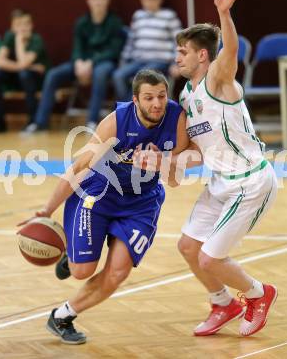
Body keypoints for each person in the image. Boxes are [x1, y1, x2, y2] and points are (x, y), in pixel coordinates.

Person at [134, 0, 278, 338]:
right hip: (219, 183)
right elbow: (193, 157)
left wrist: (224, 14)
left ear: (201, 55)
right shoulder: (186, 98)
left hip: (250, 183)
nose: (176, 57)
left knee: (209, 258)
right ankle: (222, 303)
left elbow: (229, 51)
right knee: (187, 246)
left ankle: (259, 294)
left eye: (182, 52)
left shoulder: (218, 79)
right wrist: (160, 161)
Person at [18, 69, 188, 344]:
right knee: (81, 271)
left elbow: (176, 180)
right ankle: (72, 252)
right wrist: (47, 210)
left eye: (161, 96)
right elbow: (78, 168)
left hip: (141, 202)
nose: (156, 104)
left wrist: (164, 161)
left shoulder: (177, 119)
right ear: (135, 100)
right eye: (148, 98)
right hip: (99, 194)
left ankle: (62, 316)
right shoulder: (115, 122)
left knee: (118, 271)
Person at [24, 0, 125, 133]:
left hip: (104, 63)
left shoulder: (115, 22)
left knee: (100, 73)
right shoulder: (82, 22)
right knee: (53, 74)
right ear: (88, 1)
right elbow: (77, 47)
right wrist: (78, 62)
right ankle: (40, 122)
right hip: (81, 63)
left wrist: (91, 63)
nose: (98, 2)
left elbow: (114, 50)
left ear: (107, 0)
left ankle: (92, 121)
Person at [112, 0, 181, 102]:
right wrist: (123, 62)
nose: (149, 2)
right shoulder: (138, 15)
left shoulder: (169, 16)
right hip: (138, 60)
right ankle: (131, 106)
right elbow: (131, 42)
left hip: (160, 61)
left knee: (140, 76)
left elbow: (179, 41)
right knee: (118, 75)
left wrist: (176, 64)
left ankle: (130, 111)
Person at [0, 10, 50, 133]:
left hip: (37, 80)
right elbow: (0, 62)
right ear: (13, 27)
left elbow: (24, 62)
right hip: (18, 76)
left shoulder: (36, 39)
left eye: (26, 24)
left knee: (25, 74)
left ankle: (33, 121)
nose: (23, 28)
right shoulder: (9, 36)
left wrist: (18, 41)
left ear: (31, 25)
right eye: (19, 24)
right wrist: (27, 66)